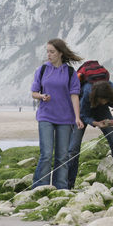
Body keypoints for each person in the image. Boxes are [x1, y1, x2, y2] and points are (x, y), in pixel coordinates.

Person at [30, 38, 83, 189]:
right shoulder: (42, 70)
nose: (49, 54)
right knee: (46, 154)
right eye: (47, 51)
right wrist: (41, 96)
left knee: (62, 156)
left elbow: (74, 95)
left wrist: (77, 117)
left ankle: (61, 187)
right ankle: (40, 187)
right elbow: (34, 92)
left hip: (65, 118)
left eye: (52, 52)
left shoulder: (71, 72)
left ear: (60, 53)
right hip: (45, 116)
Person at [68, 80, 113, 189]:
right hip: (83, 108)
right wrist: (96, 123)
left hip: (102, 111)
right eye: (101, 100)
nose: (104, 102)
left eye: (105, 100)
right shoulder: (88, 92)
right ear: (97, 97)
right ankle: (68, 185)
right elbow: (83, 116)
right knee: (73, 150)